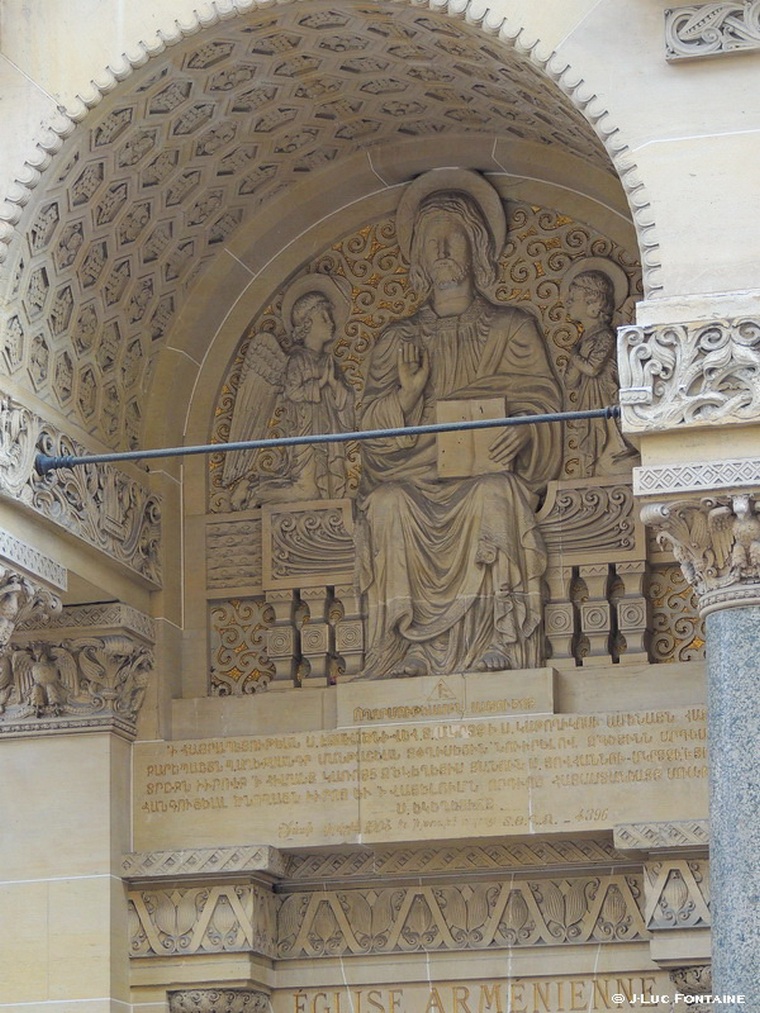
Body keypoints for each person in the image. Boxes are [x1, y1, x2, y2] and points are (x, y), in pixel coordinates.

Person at [356, 170, 562, 679]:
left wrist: (525, 430)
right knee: (385, 503)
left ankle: (499, 638)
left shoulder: (512, 328)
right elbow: (366, 437)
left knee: (494, 493)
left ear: (478, 247)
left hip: (486, 476)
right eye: (431, 241)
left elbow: (546, 404)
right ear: (418, 257)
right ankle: (405, 647)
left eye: (454, 237)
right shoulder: (398, 340)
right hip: (415, 477)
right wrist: (406, 395)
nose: (443, 250)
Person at [224, 274, 355, 505]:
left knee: (325, 491)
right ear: (307, 324)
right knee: (307, 491)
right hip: (305, 433)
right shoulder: (296, 359)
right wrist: (320, 384)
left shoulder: (328, 362)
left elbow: (347, 400)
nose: (331, 322)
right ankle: (252, 490)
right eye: (324, 317)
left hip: (328, 434)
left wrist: (334, 384)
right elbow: (293, 392)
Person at [563, 263, 637, 476]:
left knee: (609, 440)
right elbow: (570, 381)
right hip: (589, 399)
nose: (567, 302)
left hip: (605, 396)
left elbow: (593, 368)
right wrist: (577, 356)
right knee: (593, 440)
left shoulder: (605, 336)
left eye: (573, 298)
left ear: (593, 305)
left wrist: (575, 355)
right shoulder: (583, 340)